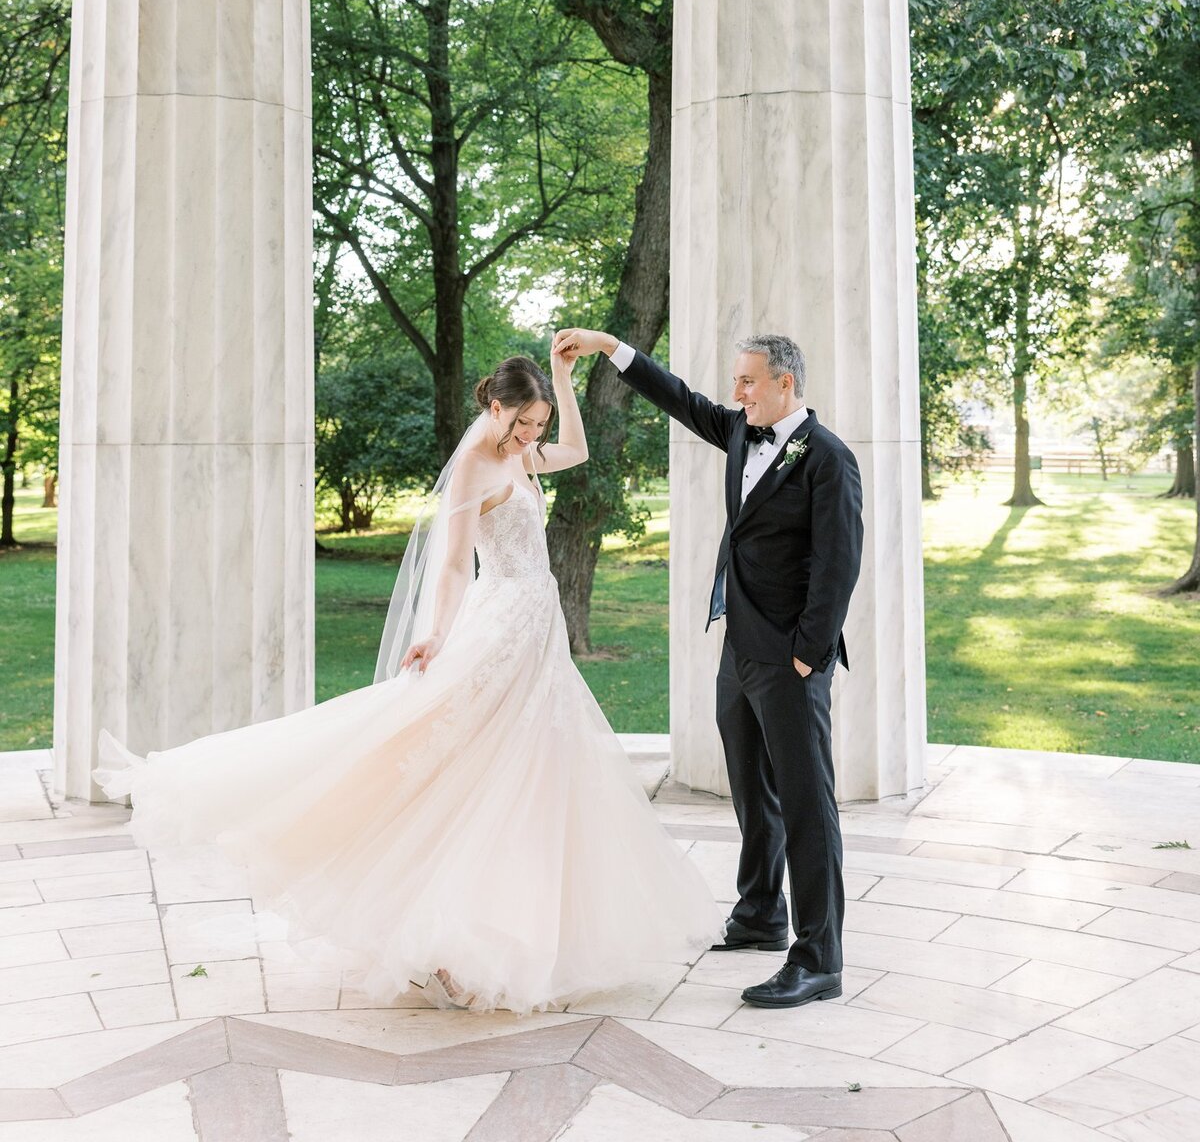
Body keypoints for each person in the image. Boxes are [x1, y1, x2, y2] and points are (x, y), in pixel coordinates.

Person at [95, 352, 721, 1014]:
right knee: (471, 778)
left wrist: (562, 381)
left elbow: (575, 449)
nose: (534, 436)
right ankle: (448, 943)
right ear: (496, 407)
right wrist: (439, 634)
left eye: (539, 423)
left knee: (536, 780)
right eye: (526, 423)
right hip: (502, 628)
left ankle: (508, 938)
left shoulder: (523, 455)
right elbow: (452, 566)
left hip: (542, 634)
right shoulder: (476, 469)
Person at [552, 329, 863, 1010]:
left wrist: (807, 654)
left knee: (808, 804)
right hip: (739, 649)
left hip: (789, 659)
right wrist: (611, 348)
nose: (736, 393)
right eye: (737, 381)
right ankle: (759, 916)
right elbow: (679, 399)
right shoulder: (738, 432)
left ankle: (819, 958)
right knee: (753, 790)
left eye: (749, 381)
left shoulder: (828, 459)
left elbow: (837, 566)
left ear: (786, 383)